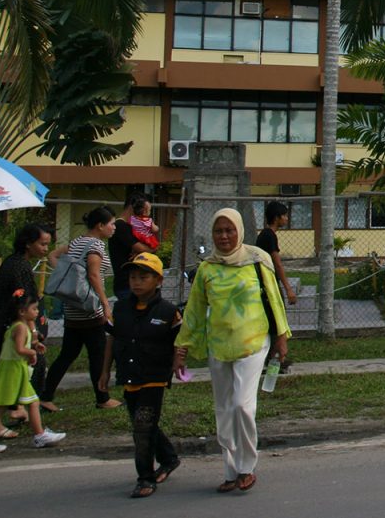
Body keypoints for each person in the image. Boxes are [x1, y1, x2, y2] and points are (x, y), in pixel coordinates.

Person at [173, 208, 290, 494]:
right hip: (219, 345)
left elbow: (274, 299)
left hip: (254, 342)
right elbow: (194, 311)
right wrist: (181, 348)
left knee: (241, 405)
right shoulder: (207, 268)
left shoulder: (257, 260)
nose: (224, 236)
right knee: (223, 410)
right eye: (218, 231)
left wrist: (282, 337)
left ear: (239, 231)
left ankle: (247, 467)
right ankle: (230, 470)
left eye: (229, 230)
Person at [99, 253, 181, 498]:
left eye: (143, 277)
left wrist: (178, 362)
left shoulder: (168, 312)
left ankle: (145, 478)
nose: (136, 282)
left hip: (154, 375)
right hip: (129, 374)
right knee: (143, 423)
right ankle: (169, 457)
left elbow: (180, 341)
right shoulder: (121, 308)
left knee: (142, 428)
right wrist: (104, 371)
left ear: (158, 281)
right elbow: (112, 339)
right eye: (133, 277)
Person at [41, 206, 122, 410]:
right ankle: (102, 398)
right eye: (111, 224)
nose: (114, 228)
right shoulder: (96, 245)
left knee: (67, 355)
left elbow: (53, 256)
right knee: (98, 355)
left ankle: (46, 395)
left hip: (72, 309)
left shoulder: (77, 242)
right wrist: (105, 304)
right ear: (100, 225)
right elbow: (94, 275)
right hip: (89, 310)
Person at [0, 224, 51, 435]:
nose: (46, 248)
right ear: (28, 244)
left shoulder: (14, 263)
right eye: (42, 244)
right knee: (12, 374)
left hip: (5, 326)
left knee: (13, 374)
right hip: (12, 329)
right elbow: (23, 302)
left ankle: (18, 410)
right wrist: (33, 333)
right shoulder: (19, 267)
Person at [0, 291, 66, 454]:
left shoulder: (19, 326)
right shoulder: (20, 327)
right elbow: (20, 349)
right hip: (12, 371)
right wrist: (32, 353)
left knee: (28, 402)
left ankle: (39, 434)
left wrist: (34, 346)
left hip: (14, 370)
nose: (37, 312)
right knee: (5, 405)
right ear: (22, 312)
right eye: (34, 309)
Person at [109, 195, 155, 298]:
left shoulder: (134, 227)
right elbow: (141, 248)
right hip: (126, 284)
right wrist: (152, 248)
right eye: (143, 210)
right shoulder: (120, 226)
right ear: (132, 207)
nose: (145, 215)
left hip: (138, 282)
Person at [256, 201, 298, 305]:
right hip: (267, 283)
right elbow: (278, 264)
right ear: (276, 218)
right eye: (284, 215)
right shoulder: (270, 235)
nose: (286, 218)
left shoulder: (266, 233)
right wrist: (288, 289)